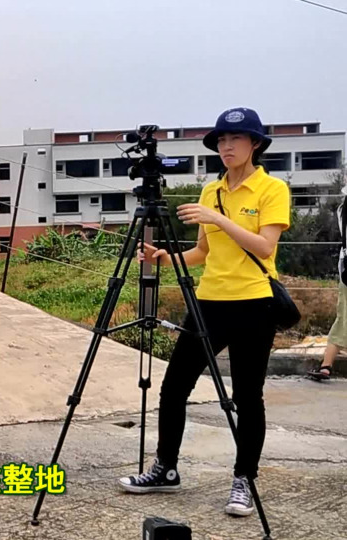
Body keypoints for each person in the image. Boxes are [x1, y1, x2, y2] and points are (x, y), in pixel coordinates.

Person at [117, 107, 291, 518]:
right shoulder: (211, 191)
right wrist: (163, 257)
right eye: (221, 141)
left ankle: (243, 479)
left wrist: (217, 218)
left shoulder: (272, 189)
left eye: (235, 139)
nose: (226, 147)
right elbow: (202, 251)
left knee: (247, 397)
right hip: (209, 302)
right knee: (174, 387)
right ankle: (166, 468)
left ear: (255, 144)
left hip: (254, 303)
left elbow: (265, 247)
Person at [308, 189, 347, 381]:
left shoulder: (343, 209)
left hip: (345, 270)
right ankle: (326, 365)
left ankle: (326, 365)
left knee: (343, 317)